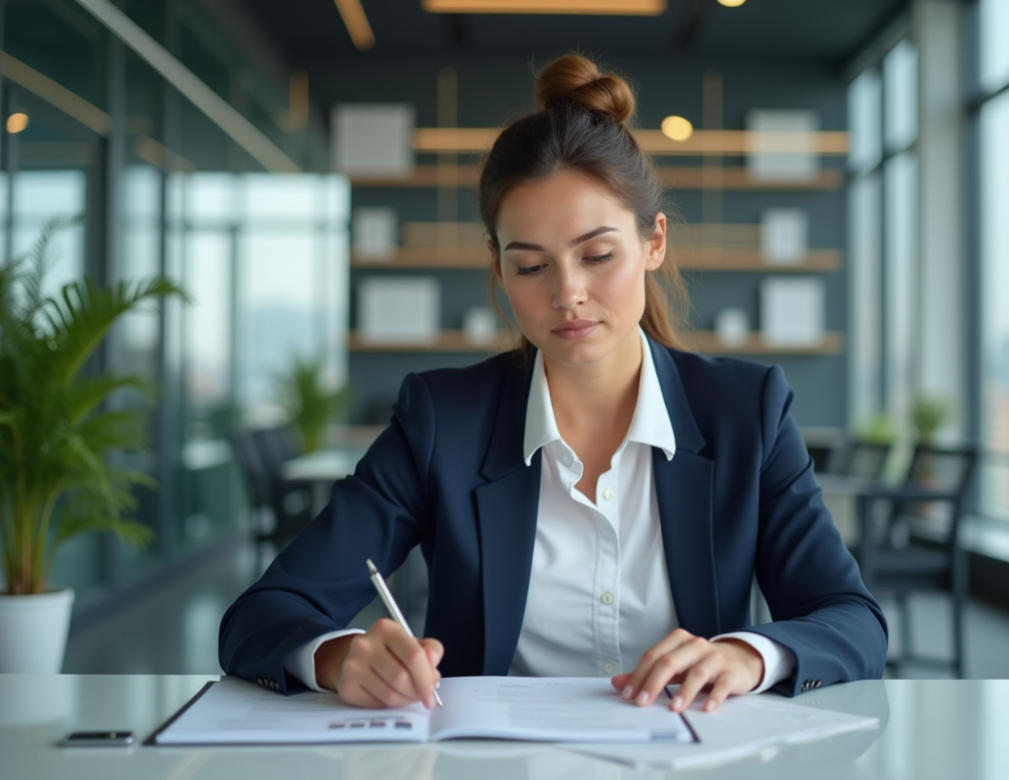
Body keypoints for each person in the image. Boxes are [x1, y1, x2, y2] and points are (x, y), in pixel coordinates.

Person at [219, 54, 887, 714]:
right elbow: (262, 615)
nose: (568, 294)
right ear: (497, 266)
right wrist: (339, 657)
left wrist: (749, 655)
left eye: (597, 256)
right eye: (532, 266)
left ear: (654, 242)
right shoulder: (441, 420)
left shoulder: (748, 412)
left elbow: (852, 621)